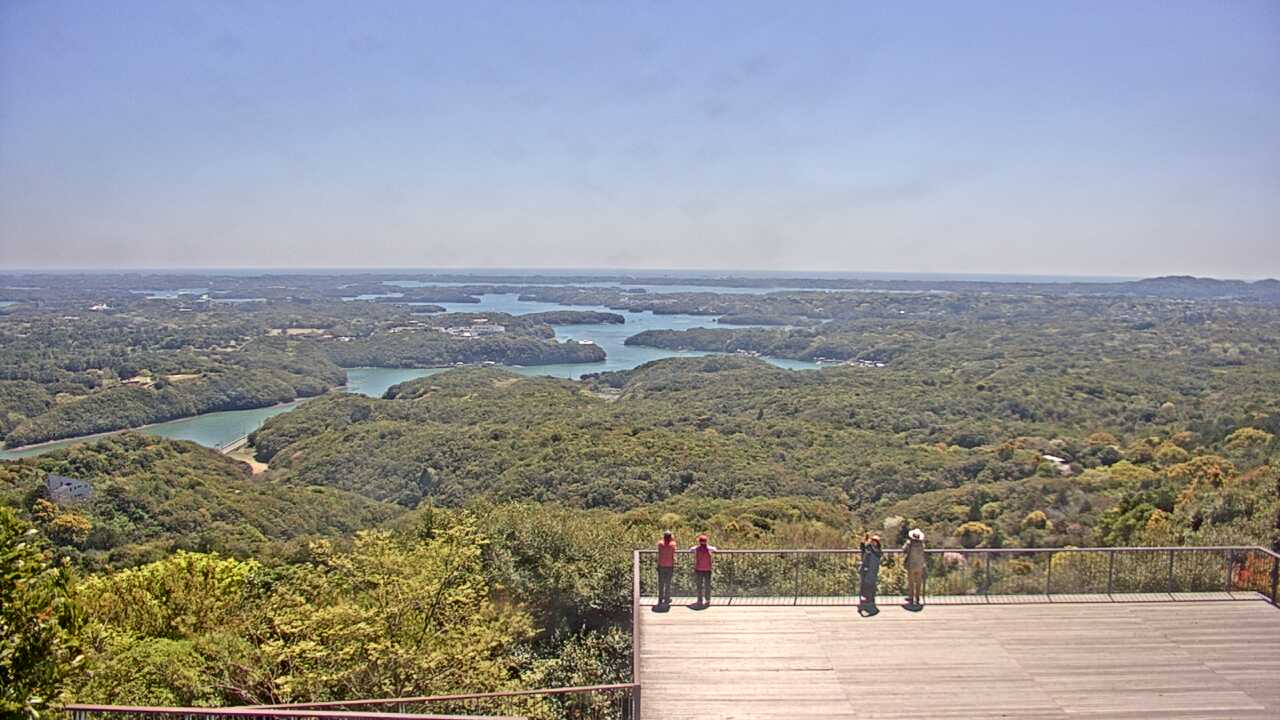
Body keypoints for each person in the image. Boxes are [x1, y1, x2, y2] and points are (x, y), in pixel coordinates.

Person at [689, 534, 717, 607]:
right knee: (707, 585)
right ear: (706, 541)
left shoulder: (696, 548)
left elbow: (690, 550)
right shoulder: (709, 548)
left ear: (699, 541)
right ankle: (707, 600)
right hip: (708, 569)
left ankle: (699, 600)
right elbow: (715, 549)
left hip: (699, 569)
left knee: (699, 585)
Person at [859, 532, 883, 614]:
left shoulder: (876, 551)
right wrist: (863, 542)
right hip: (868, 569)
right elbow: (863, 550)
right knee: (865, 585)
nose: (873, 542)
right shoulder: (870, 549)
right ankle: (867, 600)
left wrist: (868, 545)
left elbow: (872, 553)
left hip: (872, 570)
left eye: (874, 541)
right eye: (872, 540)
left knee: (871, 586)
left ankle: (870, 601)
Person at [902, 528, 927, 608]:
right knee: (919, 582)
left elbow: (904, 550)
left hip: (911, 565)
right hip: (920, 565)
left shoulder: (909, 543)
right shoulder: (922, 544)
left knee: (911, 583)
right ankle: (917, 598)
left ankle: (911, 598)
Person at [656, 530, 678, 607]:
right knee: (668, 583)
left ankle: (660, 598)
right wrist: (672, 539)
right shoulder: (673, 544)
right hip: (669, 566)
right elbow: (674, 551)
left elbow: (659, 547)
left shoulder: (660, 544)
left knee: (661, 583)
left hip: (661, 565)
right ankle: (667, 598)